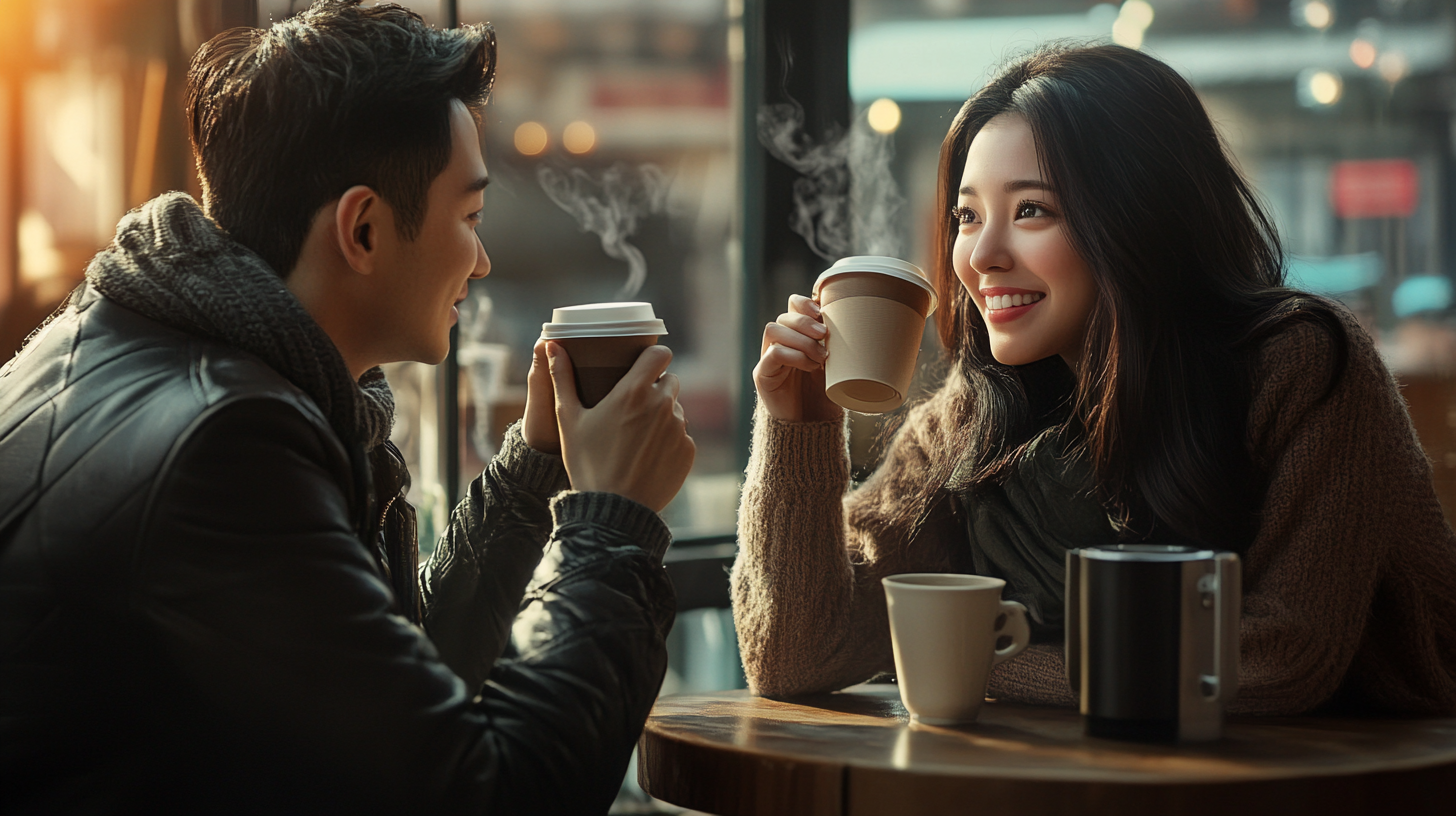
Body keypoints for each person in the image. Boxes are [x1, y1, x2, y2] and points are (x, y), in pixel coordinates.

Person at [0, 2, 694, 813]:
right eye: (469, 218)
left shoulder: (121, 338)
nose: (483, 259)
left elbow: (391, 702)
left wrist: (535, 468)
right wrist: (607, 525)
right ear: (363, 229)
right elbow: (487, 795)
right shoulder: (226, 448)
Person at [733, 44, 1456, 716]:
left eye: (1031, 211)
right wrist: (798, 426)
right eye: (967, 215)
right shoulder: (970, 418)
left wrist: (970, 665)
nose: (981, 255)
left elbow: (1278, 661)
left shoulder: (1304, 367)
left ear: (1137, 217)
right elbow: (794, 655)